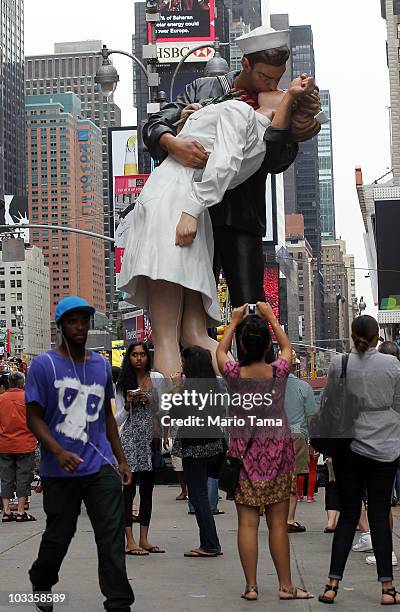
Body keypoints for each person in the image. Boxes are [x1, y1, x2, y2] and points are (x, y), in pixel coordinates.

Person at [119, 76, 317, 378]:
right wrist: (188, 122)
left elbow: (220, 166)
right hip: (192, 213)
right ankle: (255, 386)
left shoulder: (239, 113)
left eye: (275, 91)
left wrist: (190, 209)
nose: (266, 90)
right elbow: (217, 163)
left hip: (173, 204)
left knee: (165, 335)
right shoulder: (260, 141)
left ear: (282, 106)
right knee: (194, 333)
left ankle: (170, 423)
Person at [143, 26, 320, 318]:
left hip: (241, 217)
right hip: (192, 214)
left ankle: (255, 364)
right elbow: (154, 124)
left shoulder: (282, 102)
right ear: (246, 64)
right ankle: (195, 363)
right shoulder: (204, 88)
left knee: (250, 306)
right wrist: (174, 142)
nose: (269, 85)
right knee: (191, 306)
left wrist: (290, 124)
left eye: (276, 79)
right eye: (264, 76)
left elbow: (277, 162)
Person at [25, 296, 134, 612]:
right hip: (60, 469)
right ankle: (41, 580)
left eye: (84, 320)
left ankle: (118, 602)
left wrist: (121, 458)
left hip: (100, 465)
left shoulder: (100, 365)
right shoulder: (43, 366)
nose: (80, 326)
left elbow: (107, 416)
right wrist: (57, 451)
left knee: (111, 536)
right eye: (73, 320)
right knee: (59, 535)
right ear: (60, 326)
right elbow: (33, 416)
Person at [216, 302, 313, 601]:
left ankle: (251, 586)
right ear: (266, 344)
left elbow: (220, 353)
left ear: (242, 344)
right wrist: (271, 316)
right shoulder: (279, 372)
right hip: (278, 459)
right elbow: (287, 350)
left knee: (246, 524)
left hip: (243, 460)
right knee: (277, 525)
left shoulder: (233, 375)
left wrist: (233, 322)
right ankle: (286, 586)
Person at [319, 315, 400, 605]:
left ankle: (331, 584)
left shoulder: (339, 364)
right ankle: (388, 589)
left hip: (348, 448)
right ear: (378, 337)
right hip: (386, 446)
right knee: (379, 515)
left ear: (351, 335)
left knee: (349, 514)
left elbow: (327, 402)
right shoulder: (392, 364)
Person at [169, 345, 226, 557]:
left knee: (198, 496)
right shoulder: (214, 386)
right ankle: (210, 541)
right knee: (203, 494)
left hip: (195, 449)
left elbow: (176, 414)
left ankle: (210, 543)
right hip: (214, 447)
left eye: (184, 362)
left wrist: (176, 387)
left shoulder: (188, 388)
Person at [115, 342, 165, 556]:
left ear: (148, 356)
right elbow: (117, 419)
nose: (139, 358)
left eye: (142, 354)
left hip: (150, 441)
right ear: (129, 357)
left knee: (147, 491)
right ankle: (130, 540)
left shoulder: (158, 379)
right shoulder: (121, 383)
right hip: (129, 442)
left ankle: (144, 539)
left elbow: (166, 410)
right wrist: (127, 404)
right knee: (129, 491)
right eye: (134, 354)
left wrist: (150, 401)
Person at [282, 350, 318, 532]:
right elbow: (311, 417)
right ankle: (289, 519)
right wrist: (313, 443)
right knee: (294, 478)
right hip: (297, 435)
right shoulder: (304, 388)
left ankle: (276, 518)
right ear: (295, 367)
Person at [0, 371, 36, 522]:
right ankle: (21, 511)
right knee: (23, 477)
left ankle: (6, 511)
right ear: (22, 383)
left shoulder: (1, 399)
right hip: (25, 444)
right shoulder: (29, 398)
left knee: (5, 478)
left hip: (4, 444)